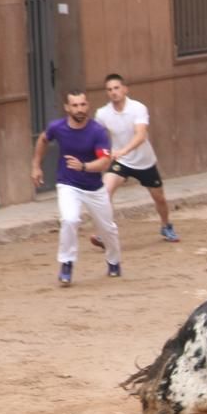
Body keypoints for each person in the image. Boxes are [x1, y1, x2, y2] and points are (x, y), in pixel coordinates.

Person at [30, 90, 120, 286]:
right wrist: (36, 166)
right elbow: (43, 139)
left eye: (83, 105)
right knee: (69, 220)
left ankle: (113, 261)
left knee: (107, 229)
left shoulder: (97, 131)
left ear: (88, 105)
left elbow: (105, 162)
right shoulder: (57, 127)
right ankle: (66, 263)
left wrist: (84, 166)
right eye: (75, 105)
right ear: (67, 108)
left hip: (94, 187)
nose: (80, 109)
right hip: (68, 184)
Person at [95, 74, 177, 243]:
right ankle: (106, 233)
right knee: (105, 189)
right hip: (121, 162)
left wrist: (123, 150)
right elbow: (97, 137)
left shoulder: (138, 108)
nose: (113, 92)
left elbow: (141, 135)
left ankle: (166, 225)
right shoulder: (102, 114)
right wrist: (102, 155)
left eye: (116, 88)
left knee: (159, 198)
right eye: (109, 89)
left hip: (144, 161)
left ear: (125, 89)